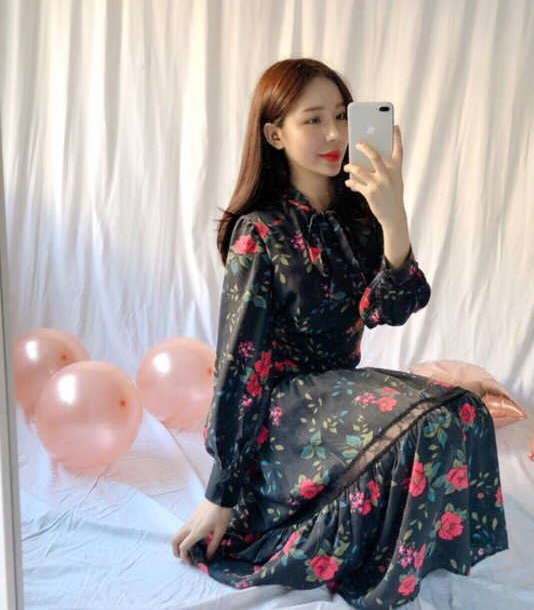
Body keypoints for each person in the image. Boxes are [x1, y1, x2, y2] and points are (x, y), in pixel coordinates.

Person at [172, 58, 508, 608]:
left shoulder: (359, 214)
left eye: (341, 116)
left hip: (339, 395)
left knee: (464, 410)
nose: (334, 134)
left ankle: (419, 553)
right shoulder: (260, 232)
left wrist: (393, 217)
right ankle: (380, 577)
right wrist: (220, 494)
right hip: (283, 416)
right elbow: (240, 367)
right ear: (275, 135)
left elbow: (390, 308)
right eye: (313, 120)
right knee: (427, 424)